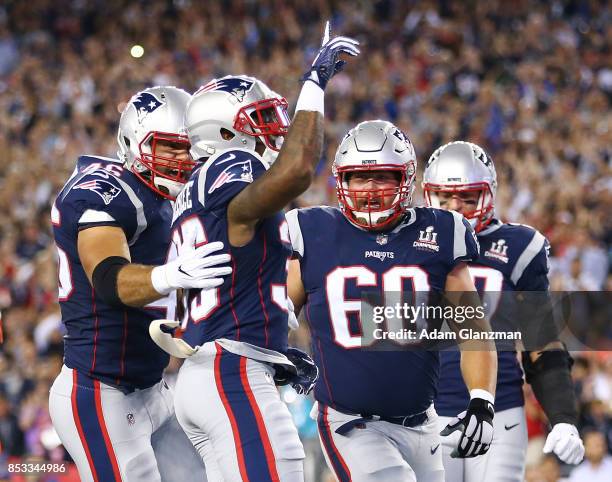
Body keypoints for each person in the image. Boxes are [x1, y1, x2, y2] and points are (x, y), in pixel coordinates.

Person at [150, 23, 360, 482]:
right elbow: (297, 170)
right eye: (260, 119)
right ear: (224, 132)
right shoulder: (232, 164)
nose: (274, 131)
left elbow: (234, 280)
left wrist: (275, 353)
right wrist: (313, 86)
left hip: (210, 369)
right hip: (231, 373)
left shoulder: (193, 192)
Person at [285, 120, 498, 482]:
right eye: (358, 177)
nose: (370, 189)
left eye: (383, 176)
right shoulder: (312, 231)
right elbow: (275, 312)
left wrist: (481, 399)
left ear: (406, 179)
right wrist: (279, 352)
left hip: (422, 423)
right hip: (350, 422)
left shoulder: (442, 232)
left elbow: (474, 330)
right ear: (341, 182)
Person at [49, 85, 232, 482]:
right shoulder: (105, 194)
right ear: (134, 142)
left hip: (152, 388)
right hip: (101, 393)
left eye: (189, 148)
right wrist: (169, 276)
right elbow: (108, 277)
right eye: (170, 148)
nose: (183, 159)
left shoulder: (164, 196)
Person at [423, 140, 585, 481]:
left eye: (467, 197)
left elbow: (541, 342)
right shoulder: (409, 243)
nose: (455, 207)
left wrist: (563, 416)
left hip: (500, 413)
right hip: (426, 414)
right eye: (445, 197)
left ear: (489, 194)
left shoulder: (519, 246)